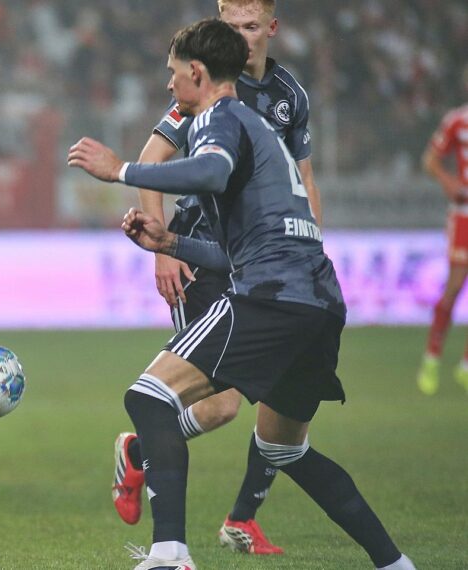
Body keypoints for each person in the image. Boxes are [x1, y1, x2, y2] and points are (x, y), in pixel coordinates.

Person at [68, 18, 414, 570]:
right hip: (319, 303)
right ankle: (396, 565)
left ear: (197, 72)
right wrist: (172, 242)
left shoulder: (218, 118)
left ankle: (169, 555)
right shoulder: (262, 132)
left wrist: (120, 171)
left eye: (173, 73)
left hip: (270, 297)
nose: (168, 85)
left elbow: (210, 171)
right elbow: (241, 252)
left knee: (149, 398)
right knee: (284, 449)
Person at [112, 0, 317, 554]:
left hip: (270, 263)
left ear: (271, 27)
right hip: (203, 257)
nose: (242, 38)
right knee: (223, 404)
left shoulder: (289, 97)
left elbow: (301, 172)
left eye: (251, 27)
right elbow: (151, 157)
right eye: (232, 27)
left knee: (283, 397)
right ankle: (143, 456)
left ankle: (241, 519)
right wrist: (162, 250)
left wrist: (311, 241)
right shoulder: (204, 91)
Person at [416, 65, 468, 396]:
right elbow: (429, 160)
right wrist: (450, 182)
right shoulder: (457, 121)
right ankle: (432, 357)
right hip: (464, 214)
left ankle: (465, 364)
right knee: (454, 287)